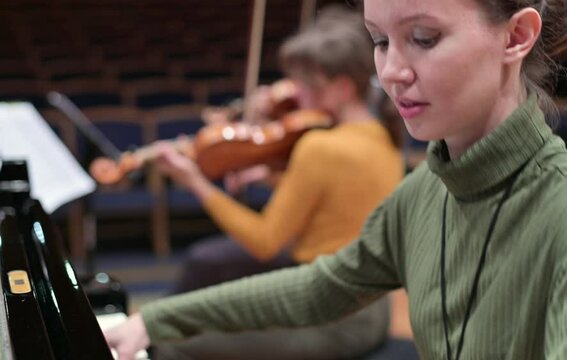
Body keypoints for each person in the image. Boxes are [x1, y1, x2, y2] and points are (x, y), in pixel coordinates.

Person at [105, 0, 567, 359]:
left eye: (424, 38)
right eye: (380, 42)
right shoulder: (425, 191)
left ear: (516, 37)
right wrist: (155, 320)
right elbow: (320, 286)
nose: (390, 73)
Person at [121, 5, 406, 360]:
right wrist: (274, 178)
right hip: (370, 308)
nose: (293, 94)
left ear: (343, 88)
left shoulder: (321, 147)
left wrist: (194, 181)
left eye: (305, 84)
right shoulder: (382, 136)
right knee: (209, 269)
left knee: (171, 345)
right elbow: (338, 202)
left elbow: (265, 241)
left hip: (331, 316)